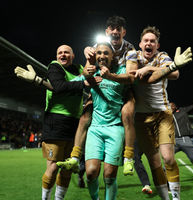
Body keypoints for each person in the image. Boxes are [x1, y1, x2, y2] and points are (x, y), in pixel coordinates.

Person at [15, 44, 100, 200]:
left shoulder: (78, 68)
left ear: (72, 56)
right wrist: (83, 83)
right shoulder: (54, 67)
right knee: (53, 167)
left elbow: (87, 73)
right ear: (56, 56)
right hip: (56, 121)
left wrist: (88, 54)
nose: (63, 55)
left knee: (68, 167)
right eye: (59, 53)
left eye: (66, 52)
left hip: (75, 123)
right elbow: (59, 87)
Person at [57, 15, 137, 176]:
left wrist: (110, 76)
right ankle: (75, 157)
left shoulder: (131, 50)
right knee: (85, 116)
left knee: (127, 113)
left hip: (122, 87)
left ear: (123, 32)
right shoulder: (97, 46)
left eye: (118, 29)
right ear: (107, 31)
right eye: (112, 29)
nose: (115, 32)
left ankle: (128, 157)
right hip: (102, 88)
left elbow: (130, 77)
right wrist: (88, 70)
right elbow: (87, 72)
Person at [126, 26, 192, 200]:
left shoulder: (162, 56)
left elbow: (175, 73)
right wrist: (164, 69)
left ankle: (176, 198)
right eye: (146, 40)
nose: (149, 43)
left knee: (168, 158)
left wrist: (148, 69)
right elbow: (131, 75)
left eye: (152, 41)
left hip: (162, 114)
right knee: (154, 163)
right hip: (140, 118)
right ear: (140, 43)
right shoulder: (133, 55)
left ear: (157, 45)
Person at [72, 42, 128, 200]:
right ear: (95, 56)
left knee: (109, 174)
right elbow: (82, 76)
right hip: (95, 129)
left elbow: (132, 78)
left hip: (115, 128)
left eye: (106, 53)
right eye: (99, 53)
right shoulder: (93, 71)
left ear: (112, 56)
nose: (102, 56)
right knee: (90, 173)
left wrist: (110, 76)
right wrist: (87, 62)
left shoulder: (122, 70)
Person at [170, 101, 193, 181]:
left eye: (173, 106)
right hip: (174, 142)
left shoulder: (183, 111)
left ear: (176, 107)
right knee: (168, 160)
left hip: (185, 140)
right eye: (169, 106)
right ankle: (165, 180)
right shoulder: (165, 116)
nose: (171, 107)